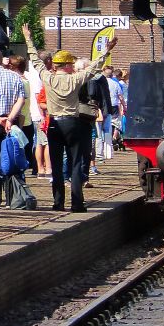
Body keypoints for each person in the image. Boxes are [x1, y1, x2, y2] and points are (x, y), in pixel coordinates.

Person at [40, 42, 112, 213]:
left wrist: (28, 40)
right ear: (66, 65)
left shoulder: (47, 77)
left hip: (54, 124)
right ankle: (77, 203)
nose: (73, 66)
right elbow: (94, 67)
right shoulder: (75, 79)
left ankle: (58, 203)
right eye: (71, 64)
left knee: (56, 165)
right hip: (73, 123)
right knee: (76, 163)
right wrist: (106, 50)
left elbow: (36, 61)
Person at [0, 49, 26, 208]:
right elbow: (21, 99)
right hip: (11, 122)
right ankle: (12, 197)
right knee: (11, 157)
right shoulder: (14, 76)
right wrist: (10, 119)